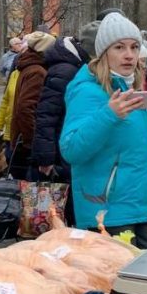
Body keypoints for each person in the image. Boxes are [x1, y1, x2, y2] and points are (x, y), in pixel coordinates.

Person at [60, 13, 147, 248]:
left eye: (134, 47)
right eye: (119, 47)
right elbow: (71, 150)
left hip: (140, 205)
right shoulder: (87, 91)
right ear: (103, 53)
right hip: (106, 213)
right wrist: (109, 115)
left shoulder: (131, 87)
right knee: (126, 274)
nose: (129, 55)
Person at [33, 36, 90, 225]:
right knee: (59, 208)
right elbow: (46, 115)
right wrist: (45, 158)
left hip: (64, 147)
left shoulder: (71, 67)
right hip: (59, 150)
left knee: (64, 207)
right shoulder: (66, 71)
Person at [8, 31, 56, 180]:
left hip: (22, 138)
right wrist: (33, 140)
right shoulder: (37, 71)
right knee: (30, 186)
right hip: (27, 143)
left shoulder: (30, 67)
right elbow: (26, 108)